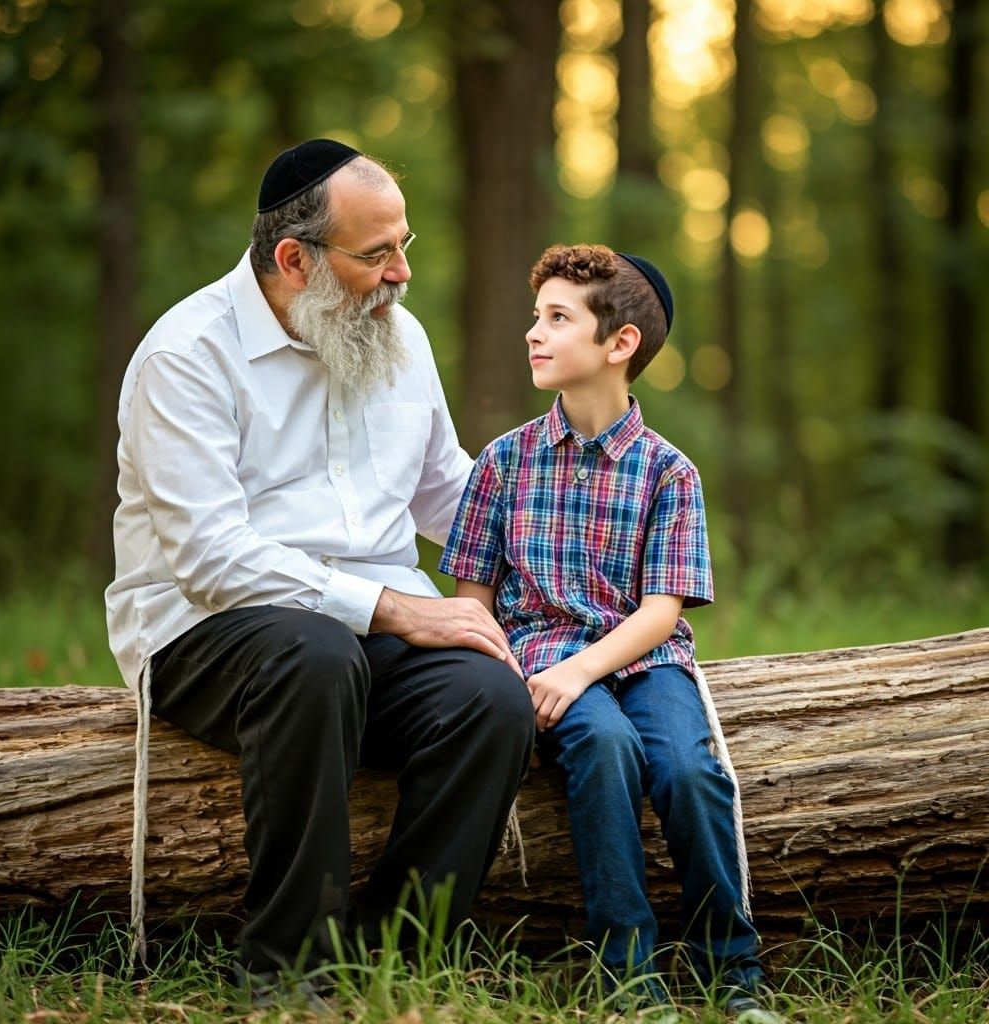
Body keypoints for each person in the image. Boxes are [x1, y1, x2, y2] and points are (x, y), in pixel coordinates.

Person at [105, 139, 535, 994]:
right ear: (295, 260)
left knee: (490, 699)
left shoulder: (397, 336)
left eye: (405, 245)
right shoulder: (185, 355)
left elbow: (449, 495)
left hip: (361, 634)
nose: (402, 274)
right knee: (316, 652)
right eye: (377, 255)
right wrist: (395, 607)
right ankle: (289, 970)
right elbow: (210, 558)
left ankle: (396, 963)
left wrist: (575, 586)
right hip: (206, 634)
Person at [439, 244, 770, 1017]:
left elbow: (662, 613)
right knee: (606, 746)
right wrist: (516, 681)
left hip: (644, 660)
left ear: (620, 344)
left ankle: (735, 975)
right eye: (535, 316)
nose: (535, 332)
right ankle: (629, 978)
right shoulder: (502, 462)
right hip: (540, 663)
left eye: (558, 318)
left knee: (690, 773)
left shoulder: (668, 471)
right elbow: (473, 601)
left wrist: (584, 670)